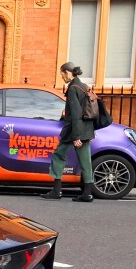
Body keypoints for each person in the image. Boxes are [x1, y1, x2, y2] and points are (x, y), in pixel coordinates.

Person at [42, 62, 95, 202]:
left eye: (62, 74)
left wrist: (76, 136)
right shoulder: (84, 86)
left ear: (68, 73)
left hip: (73, 131)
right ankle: (88, 193)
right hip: (85, 130)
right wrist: (88, 134)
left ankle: (57, 190)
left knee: (58, 156)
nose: (62, 77)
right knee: (85, 161)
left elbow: (76, 113)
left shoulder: (73, 88)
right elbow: (89, 111)